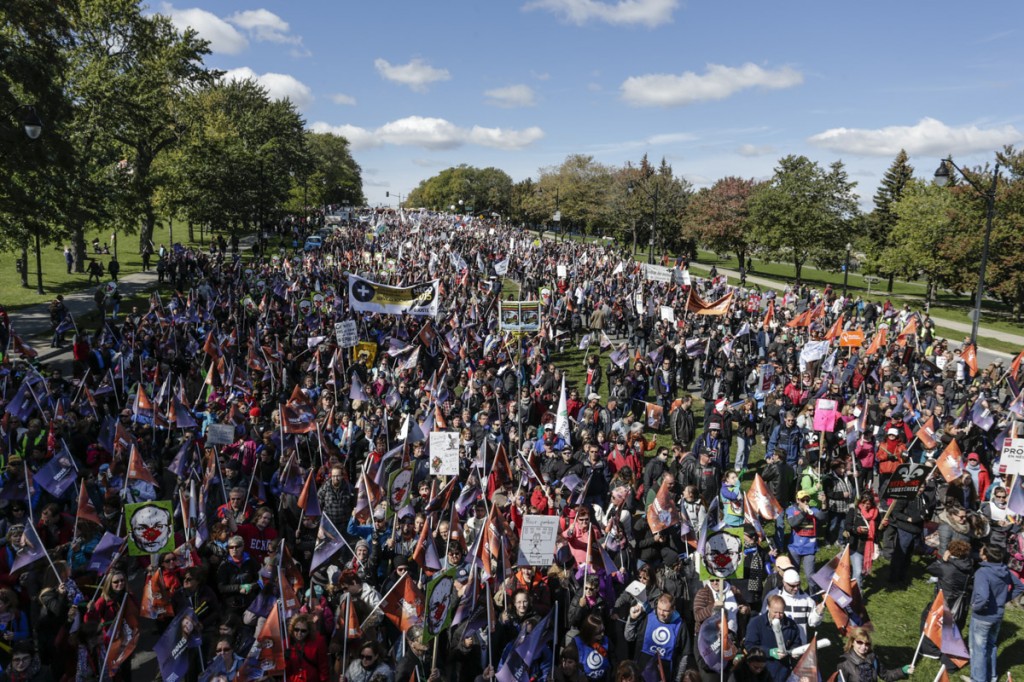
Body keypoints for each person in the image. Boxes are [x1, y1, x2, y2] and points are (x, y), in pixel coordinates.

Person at [969, 544, 1024, 682]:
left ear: (985, 556)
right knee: (991, 645)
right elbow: (1019, 586)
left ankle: (978, 679)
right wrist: (1003, 599)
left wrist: (976, 607)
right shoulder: (1004, 569)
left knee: (978, 650)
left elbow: (982, 596)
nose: (980, 549)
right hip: (998, 615)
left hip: (983, 616)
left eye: (982, 549)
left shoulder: (982, 572)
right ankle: (992, 676)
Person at [744, 595, 800, 682]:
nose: (778, 616)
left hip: (782, 672)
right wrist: (769, 652)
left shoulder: (791, 625)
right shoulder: (756, 623)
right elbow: (749, 645)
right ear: (768, 608)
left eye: (781, 612)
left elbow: (796, 642)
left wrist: (794, 652)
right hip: (761, 671)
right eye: (775, 612)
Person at [835, 626, 912, 681]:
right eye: (859, 642)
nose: (863, 646)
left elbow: (886, 675)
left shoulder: (873, 658)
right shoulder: (844, 662)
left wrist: (902, 671)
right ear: (852, 642)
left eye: (867, 644)